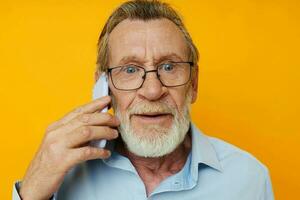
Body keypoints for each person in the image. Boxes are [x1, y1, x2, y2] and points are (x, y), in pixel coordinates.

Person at [13, 0, 274, 199]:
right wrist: (33, 189)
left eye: (169, 67)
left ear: (193, 84)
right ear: (103, 87)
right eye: (130, 69)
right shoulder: (63, 175)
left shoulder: (249, 178)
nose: (152, 90)